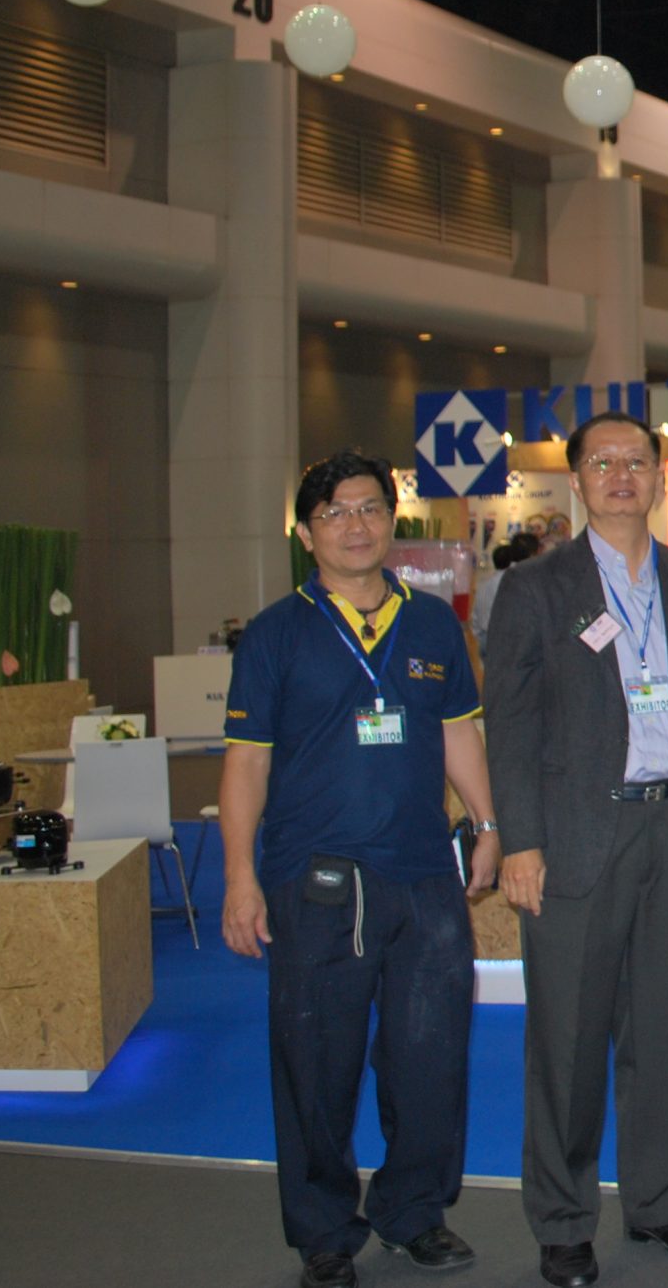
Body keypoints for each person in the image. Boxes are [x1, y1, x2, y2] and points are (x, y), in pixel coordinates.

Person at [219, 450, 501, 1288]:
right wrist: (239, 877)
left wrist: (487, 823)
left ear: (391, 520)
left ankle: (415, 1212)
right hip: (317, 883)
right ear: (306, 534)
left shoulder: (433, 624)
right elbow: (246, 763)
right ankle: (324, 1231)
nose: (355, 525)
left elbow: (457, 730)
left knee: (430, 1057)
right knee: (317, 1063)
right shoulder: (276, 634)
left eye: (370, 507)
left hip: (423, 877)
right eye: (334, 512)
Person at [485, 411, 668, 1288]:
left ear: (660, 475)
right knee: (569, 1038)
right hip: (577, 837)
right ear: (578, 479)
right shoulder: (536, 588)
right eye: (603, 462)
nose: (621, 474)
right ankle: (562, 1220)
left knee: (665, 1032)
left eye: (636, 461)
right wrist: (521, 841)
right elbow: (509, 727)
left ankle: (659, 1199)